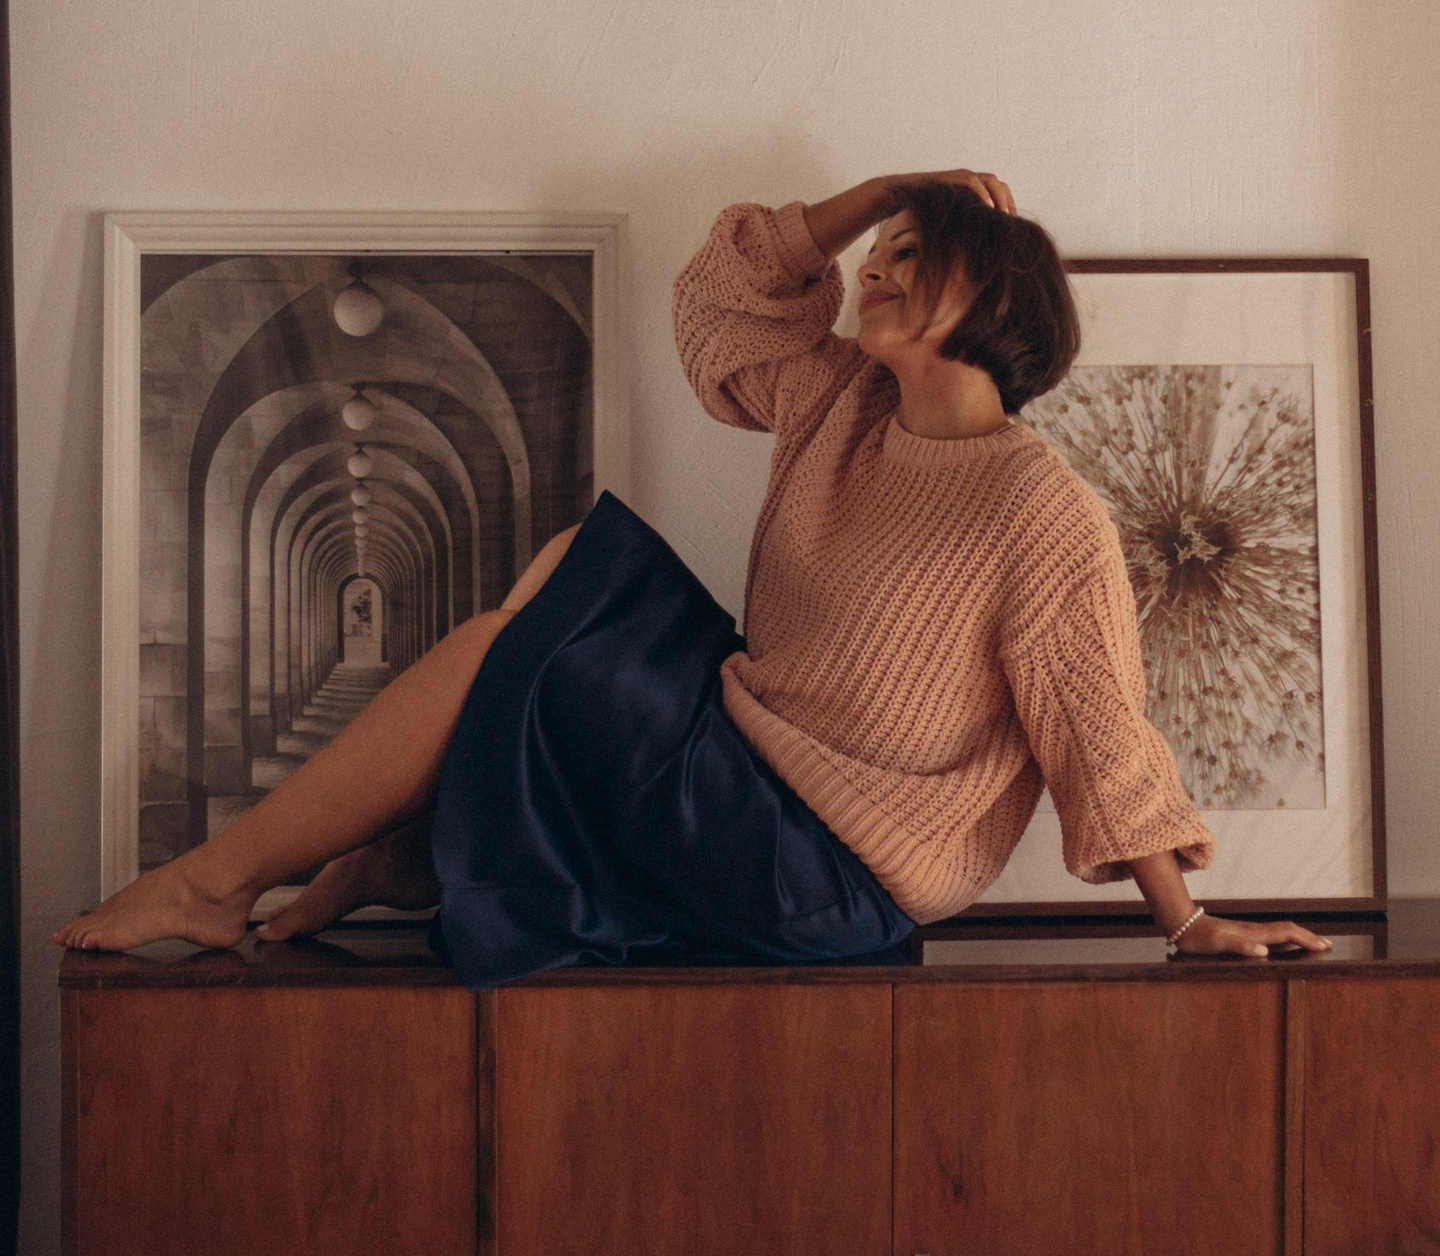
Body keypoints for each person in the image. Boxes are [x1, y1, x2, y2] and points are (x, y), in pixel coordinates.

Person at [57, 171, 1331, 974]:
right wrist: (883, 190)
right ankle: (427, 848)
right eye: (877, 248)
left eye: (907, 252)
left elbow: (1098, 730)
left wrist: (1186, 921)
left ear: (992, 293)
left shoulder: (1039, 510)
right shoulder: (839, 404)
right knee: (579, 563)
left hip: (829, 868)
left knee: (514, 642)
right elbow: (715, 307)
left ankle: (224, 880)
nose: (871, 269)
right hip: (746, 770)